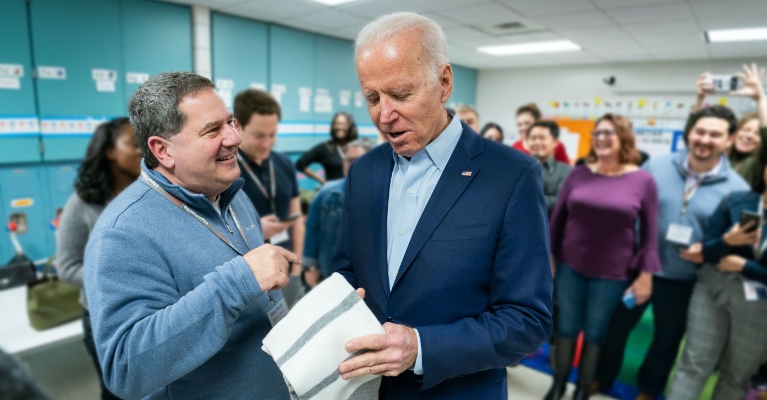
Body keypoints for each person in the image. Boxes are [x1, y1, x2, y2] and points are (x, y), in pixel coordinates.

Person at [332, 12, 552, 399]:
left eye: (401, 94)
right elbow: (348, 273)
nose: (384, 115)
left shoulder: (511, 175)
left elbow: (526, 321)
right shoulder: (364, 172)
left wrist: (421, 347)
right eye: (372, 98)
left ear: (444, 83)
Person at [83, 72, 301, 399]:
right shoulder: (123, 234)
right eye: (213, 130)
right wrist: (238, 282)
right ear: (162, 150)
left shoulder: (231, 193)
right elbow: (126, 369)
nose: (233, 138)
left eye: (231, 122)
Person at [594, 67, 761, 400]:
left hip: (685, 277)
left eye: (715, 135)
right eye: (700, 131)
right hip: (639, 266)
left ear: (729, 140)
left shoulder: (738, 188)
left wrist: (709, 248)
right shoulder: (657, 164)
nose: (705, 140)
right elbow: (632, 209)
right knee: (616, 328)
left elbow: (730, 241)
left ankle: (648, 389)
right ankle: (602, 377)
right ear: (690, 132)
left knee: (667, 339)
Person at [667, 63, 767, 400]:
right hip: (711, 286)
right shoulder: (739, 198)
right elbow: (710, 247)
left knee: (736, 377)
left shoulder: (737, 176)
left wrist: (744, 265)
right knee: (693, 365)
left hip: (759, 302)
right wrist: (726, 243)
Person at [547, 113, 660, 400]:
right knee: (567, 327)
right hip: (571, 265)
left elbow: (649, 233)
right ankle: (559, 383)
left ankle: (583, 389)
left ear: (623, 137)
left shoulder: (643, 180)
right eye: (597, 133)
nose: (601, 138)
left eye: (608, 132)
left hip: (613, 272)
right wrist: (548, 256)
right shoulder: (579, 173)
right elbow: (557, 220)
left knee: (596, 332)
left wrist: (646, 275)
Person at [57, 117, 140, 400]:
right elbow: (67, 267)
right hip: (105, 318)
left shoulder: (154, 195)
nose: (143, 150)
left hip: (150, 311)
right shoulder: (82, 202)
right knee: (118, 392)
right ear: (109, 151)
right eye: (134, 143)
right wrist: (119, 279)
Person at [234, 89, 305, 305]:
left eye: (272, 135)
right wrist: (257, 230)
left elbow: (297, 218)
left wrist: (297, 268)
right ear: (237, 126)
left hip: (288, 271)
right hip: (250, 278)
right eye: (259, 136)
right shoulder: (226, 170)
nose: (267, 143)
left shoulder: (283, 163)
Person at [303, 138, 374, 287]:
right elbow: (312, 229)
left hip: (367, 277)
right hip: (328, 272)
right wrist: (310, 266)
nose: (351, 165)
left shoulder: (382, 195)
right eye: (348, 160)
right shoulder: (327, 193)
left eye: (357, 160)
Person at [295, 111, 358, 186]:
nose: (338, 127)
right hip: (334, 194)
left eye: (342, 124)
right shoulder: (326, 148)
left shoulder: (356, 148)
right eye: (336, 124)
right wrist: (323, 181)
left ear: (350, 126)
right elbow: (300, 164)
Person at [527, 120, 571, 216]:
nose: (537, 142)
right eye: (533, 138)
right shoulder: (520, 170)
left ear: (555, 142)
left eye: (542, 138)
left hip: (551, 228)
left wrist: (525, 200)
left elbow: (560, 201)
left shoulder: (566, 171)